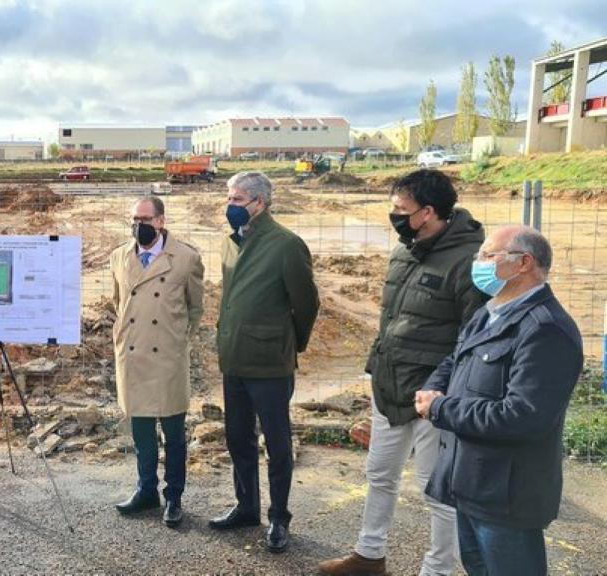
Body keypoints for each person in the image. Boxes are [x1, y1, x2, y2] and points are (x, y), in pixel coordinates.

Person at [320, 169, 486, 576]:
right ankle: (369, 555)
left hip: (435, 396)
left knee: (437, 488)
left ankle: (438, 569)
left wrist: (445, 395)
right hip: (389, 385)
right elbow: (392, 319)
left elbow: (474, 337)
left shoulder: (468, 261)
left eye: (400, 209)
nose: (393, 215)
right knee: (379, 473)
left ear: (428, 212)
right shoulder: (404, 250)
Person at [415, 225, 582, 576]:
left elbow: (522, 416)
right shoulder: (491, 312)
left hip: (506, 494)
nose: (477, 263)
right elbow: (455, 360)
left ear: (523, 263)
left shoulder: (545, 329)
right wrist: (432, 391)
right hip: (471, 483)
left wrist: (441, 408)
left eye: (487, 256)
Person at [209, 171, 319, 553]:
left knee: (277, 444)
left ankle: (279, 517)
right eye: (229, 198)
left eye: (238, 200)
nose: (230, 206)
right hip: (235, 360)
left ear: (260, 203)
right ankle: (246, 507)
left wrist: (292, 345)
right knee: (237, 437)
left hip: (271, 363)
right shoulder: (230, 243)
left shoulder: (287, 245)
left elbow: (306, 304)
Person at [109, 196, 205, 528]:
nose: (139, 225)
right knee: (142, 432)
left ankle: (174, 497)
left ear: (161, 221)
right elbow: (118, 302)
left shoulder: (187, 258)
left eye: (146, 218)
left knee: (174, 434)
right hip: (134, 357)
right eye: (134, 218)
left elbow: (195, 309)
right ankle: (146, 490)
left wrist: (178, 341)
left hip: (167, 358)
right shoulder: (118, 256)